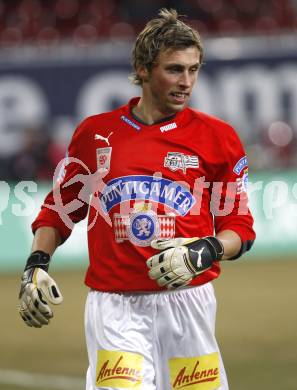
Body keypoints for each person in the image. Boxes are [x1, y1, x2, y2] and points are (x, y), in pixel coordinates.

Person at [18, 8, 256, 390]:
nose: (186, 82)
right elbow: (58, 212)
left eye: (193, 70)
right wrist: (35, 263)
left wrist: (205, 250)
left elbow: (240, 230)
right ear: (143, 69)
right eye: (174, 69)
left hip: (188, 305)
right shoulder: (95, 134)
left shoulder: (218, 138)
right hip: (116, 308)